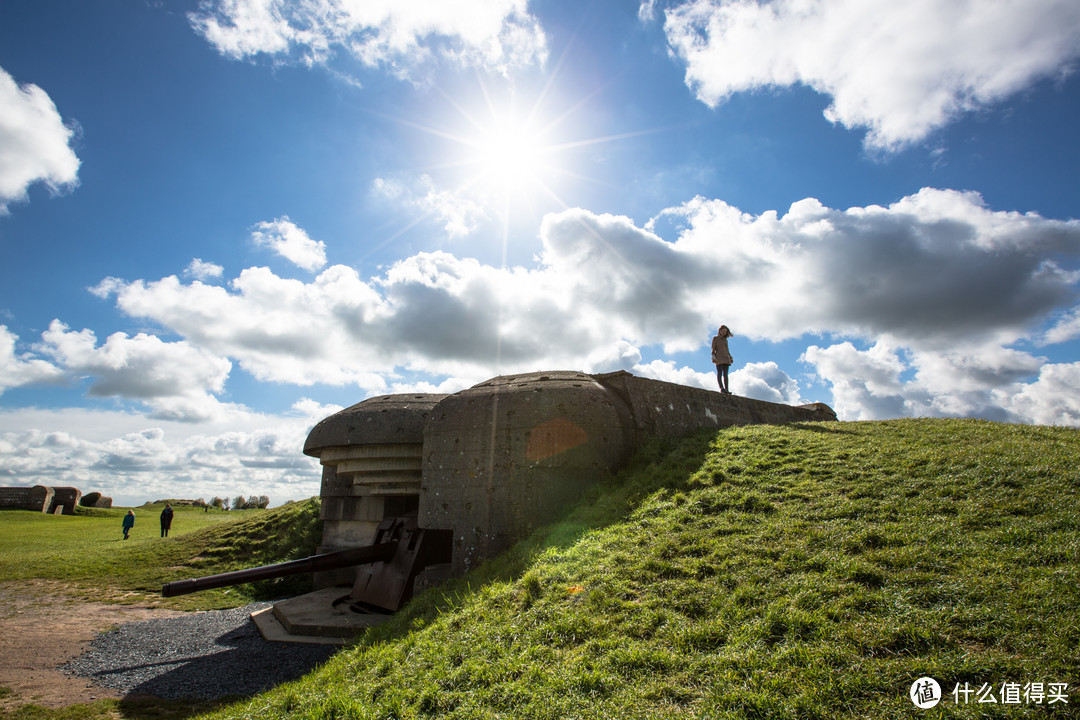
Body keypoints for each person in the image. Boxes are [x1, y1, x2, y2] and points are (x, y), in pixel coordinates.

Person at [711, 325, 734, 394]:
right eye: (723, 331)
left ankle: (726, 389)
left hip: (726, 358)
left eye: (725, 332)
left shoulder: (725, 340)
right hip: (719, 358)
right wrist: (713, 357)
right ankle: (721, 388)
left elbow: (727, 350)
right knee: (720, 373)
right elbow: (713, 349)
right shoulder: (715, 338)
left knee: (726, 375)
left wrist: (730, 357)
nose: (724, 333)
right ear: (720, 331)